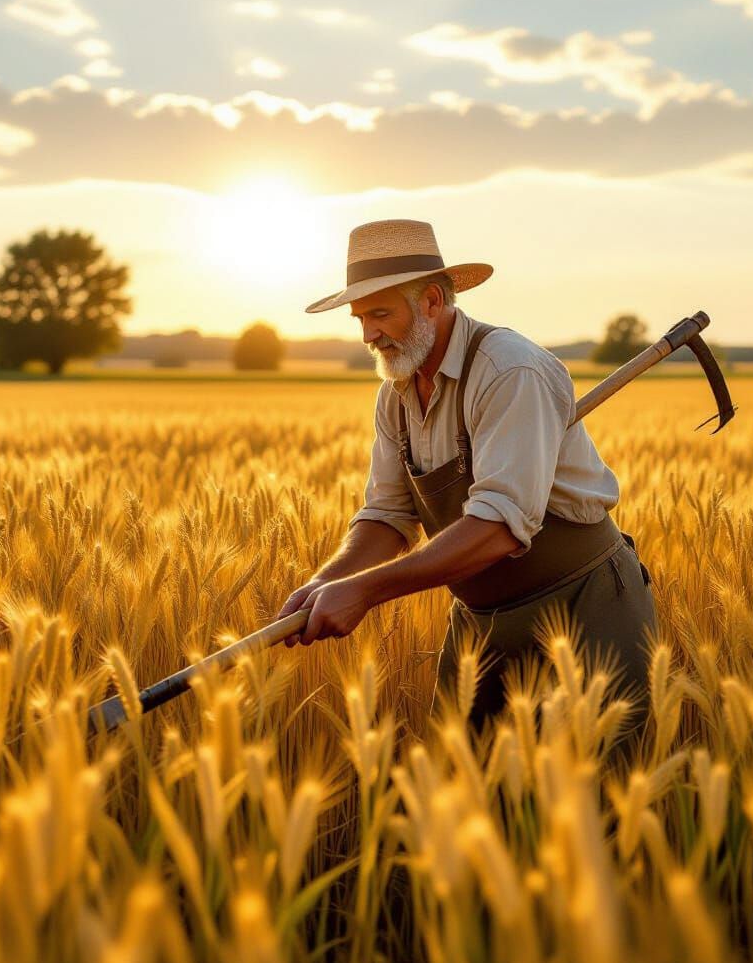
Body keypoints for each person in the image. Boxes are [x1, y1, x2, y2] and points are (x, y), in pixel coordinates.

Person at [277, 218, 656, 741]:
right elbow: (387, 516)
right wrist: (329, 581)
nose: (368, 334)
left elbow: (500, 526)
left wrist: (364, 591)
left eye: (380, 313)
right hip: (482, 623)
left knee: (587, 806)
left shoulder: (510, 371)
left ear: (432, 300)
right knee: (465, 799)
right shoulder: (397, 393)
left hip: (581, 610)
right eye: (359, 318)